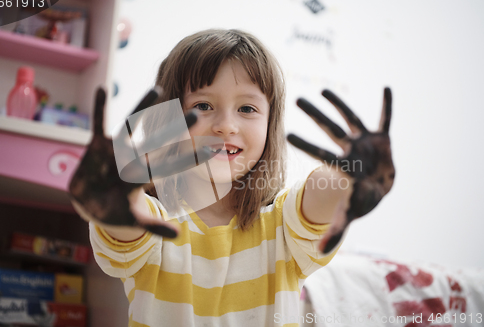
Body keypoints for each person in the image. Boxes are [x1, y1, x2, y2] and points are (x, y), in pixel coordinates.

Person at [69, 28, 395, 326]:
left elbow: (320, 195)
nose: (226, 125)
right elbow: (124, 223)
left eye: (247, 109)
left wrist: (350, 176)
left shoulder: (283, 226)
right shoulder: (153, 223)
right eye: (203, 105)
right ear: (166, 119)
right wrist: (112, 191)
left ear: (270, 125)